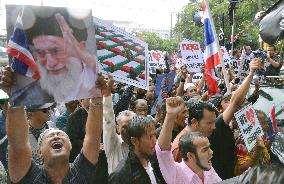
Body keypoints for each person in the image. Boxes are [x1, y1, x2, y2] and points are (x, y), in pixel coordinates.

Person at [6, 74, 107, 183]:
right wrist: (16, 95)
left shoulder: (81, 172)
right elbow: (17, 145)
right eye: (49, 136)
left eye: (61, 134)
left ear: (70, 146)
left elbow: (93, 136)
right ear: (39, 152)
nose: (56, 136)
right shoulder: (30, 177)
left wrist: (97, 97)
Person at [172, 58, 262, 179]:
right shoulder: (179, 148)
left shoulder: (216, 126)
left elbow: (235, 101)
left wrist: (251, 74)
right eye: (209, 123)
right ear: (194, 122)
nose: (214, 126)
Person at [10, 6, 97, 105]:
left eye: (56, 50)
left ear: (81, 47)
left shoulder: (98, 81)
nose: (50, 63)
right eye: (40, 52)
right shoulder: (24, 99)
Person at [156, 96, 221, 184]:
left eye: (208, 148)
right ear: (190, 156)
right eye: (205, 150)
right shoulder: (177, 176)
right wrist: (170, 116)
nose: (211, 152)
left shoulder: (206, 167)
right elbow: (163, 153)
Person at [109, 115, 164, 184]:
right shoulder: (120, 175)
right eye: (150, 137)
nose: (155, 141)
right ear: (134, 141)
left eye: (154, 135)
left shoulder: (155, 160)